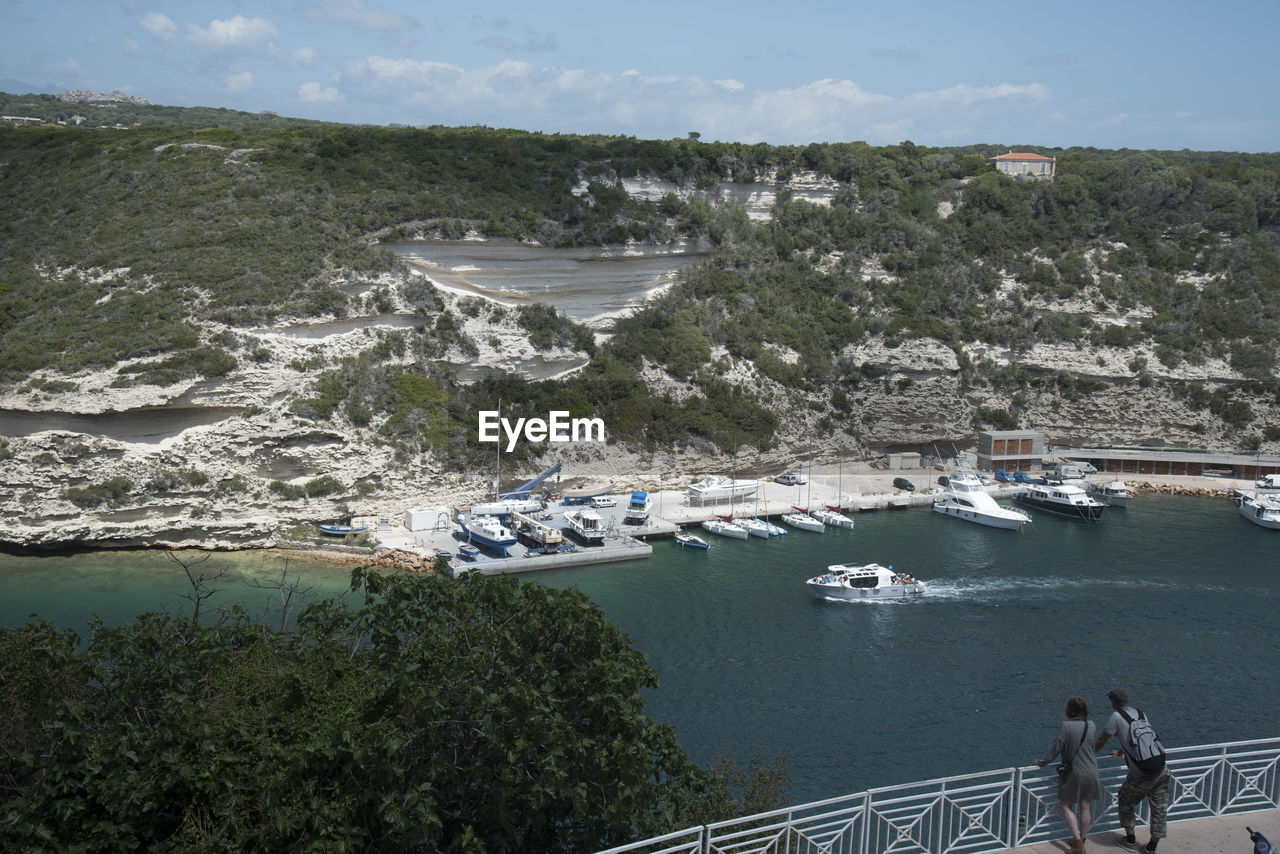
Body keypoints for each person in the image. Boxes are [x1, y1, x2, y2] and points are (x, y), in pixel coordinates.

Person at [1095, 688, 1170, 853]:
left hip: (1141, 775)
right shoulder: (1140, 713)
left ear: (1114, 702)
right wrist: (1121, 752)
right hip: (1161, 769)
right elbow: (1141, 739)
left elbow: (1102, 740)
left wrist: (1090, 754)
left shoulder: (1116, 717)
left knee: (1125, 800)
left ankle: (1130, 840)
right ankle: (1152, 847)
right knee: (1159, 808)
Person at [1036, 696, 1103, 853]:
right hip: (1092, 770)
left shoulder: (1066, 726)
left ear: (1069, 710)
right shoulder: (1091, 725)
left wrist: (1043, 762)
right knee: (1085, 805)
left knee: (1066, 806)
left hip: (1075, 771)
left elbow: (1057, 748)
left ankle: (1078, 844)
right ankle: (1082, 839)